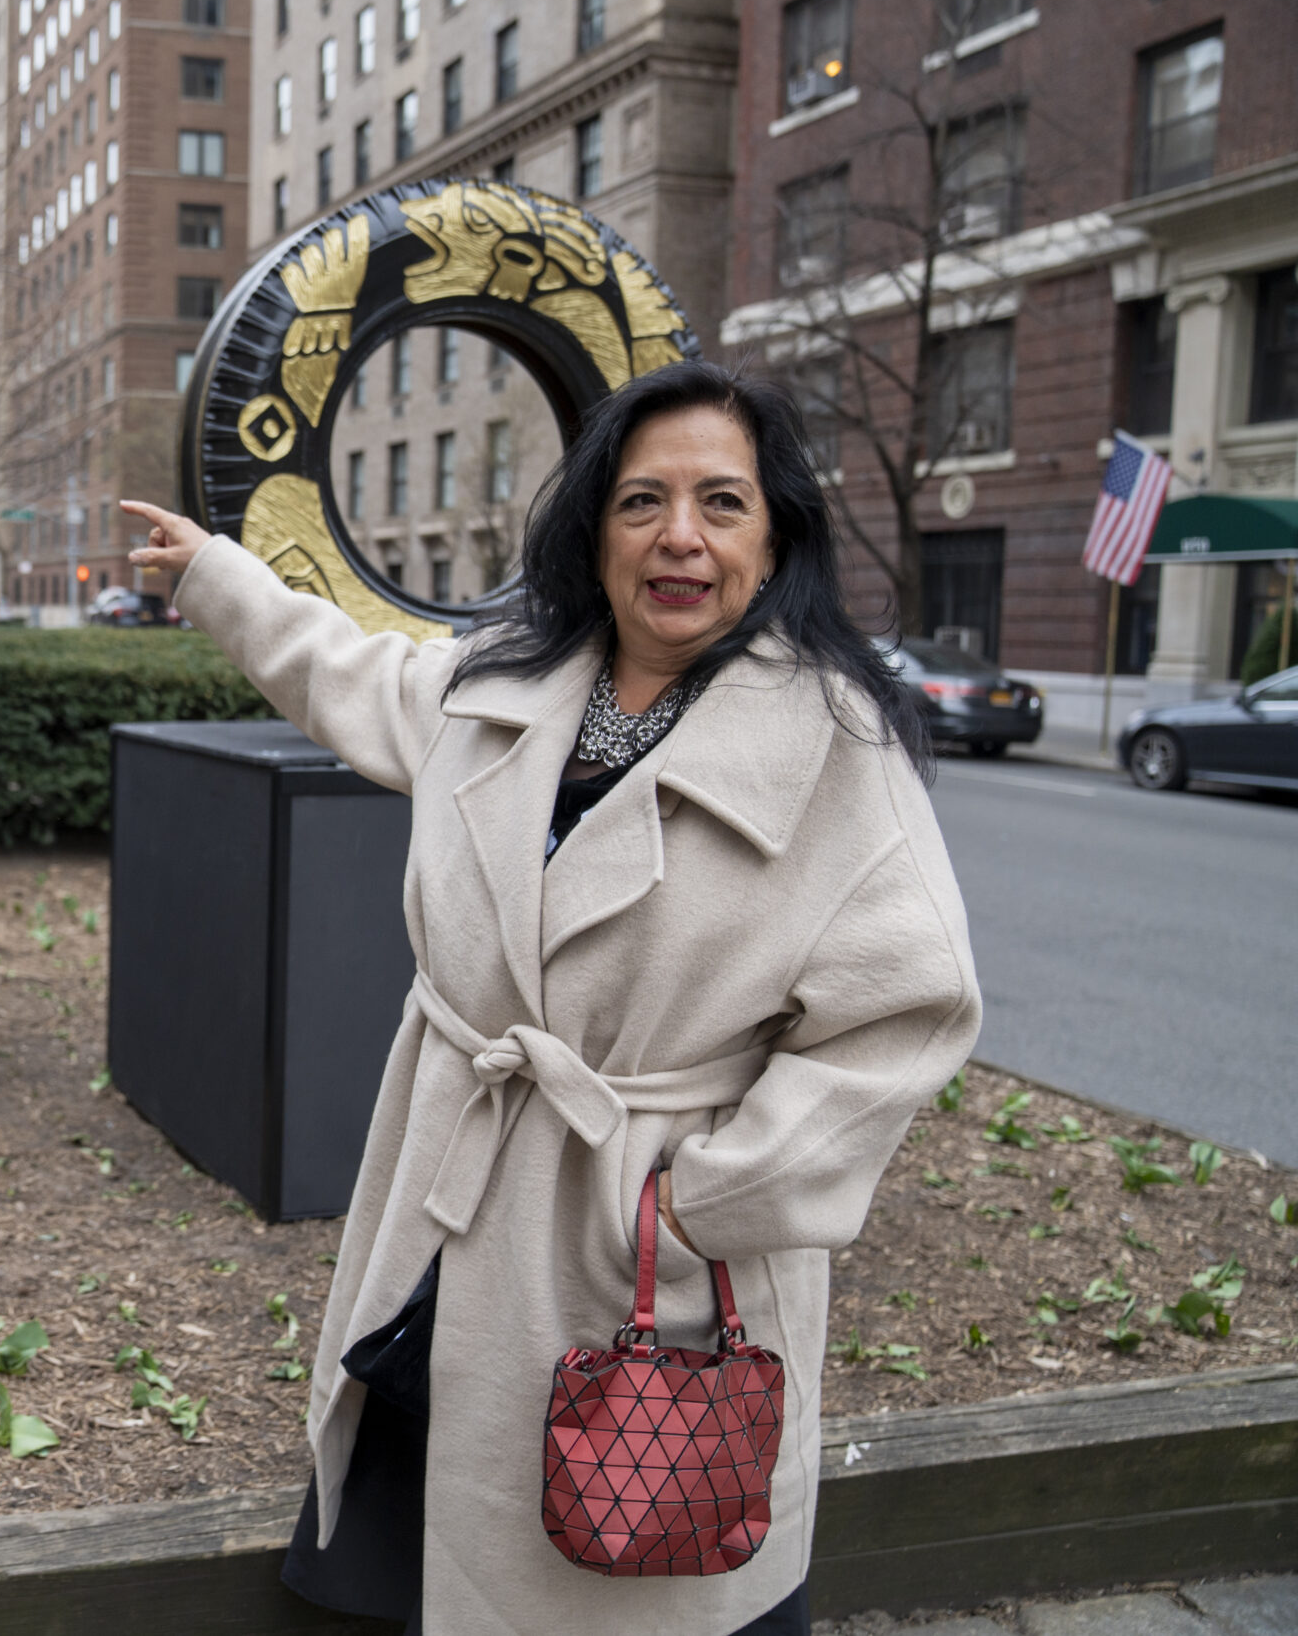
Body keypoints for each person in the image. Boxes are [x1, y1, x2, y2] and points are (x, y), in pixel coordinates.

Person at [120, 361, 979, 1636]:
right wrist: (214, 578)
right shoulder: (509, 683)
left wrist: (697, 1205)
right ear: (594, 527)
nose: (678, 536)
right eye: (642, 500)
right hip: (446, 1220)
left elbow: (906, 1016)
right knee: (408, 1535)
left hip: (633, 1247)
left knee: (617, 1568)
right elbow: (347, 672)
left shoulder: (831, 748)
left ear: (776, 535)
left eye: (721, 503)